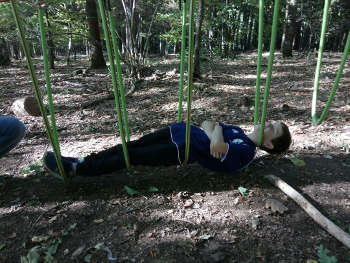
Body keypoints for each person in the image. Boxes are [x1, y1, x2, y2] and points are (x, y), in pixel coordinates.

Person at [43, 120, 292, 179]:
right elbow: (208, 124)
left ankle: (76, 169)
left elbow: (218, 146)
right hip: (179, 130)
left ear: (269, 144)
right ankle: (81, 159)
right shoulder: (237, 131)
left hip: (181, 149)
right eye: (271, 121)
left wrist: (214, 131)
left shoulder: (246, 152)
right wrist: (215, 130)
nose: (266, 123)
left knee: (130, 156)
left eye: (272, 128)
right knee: (128, 146)